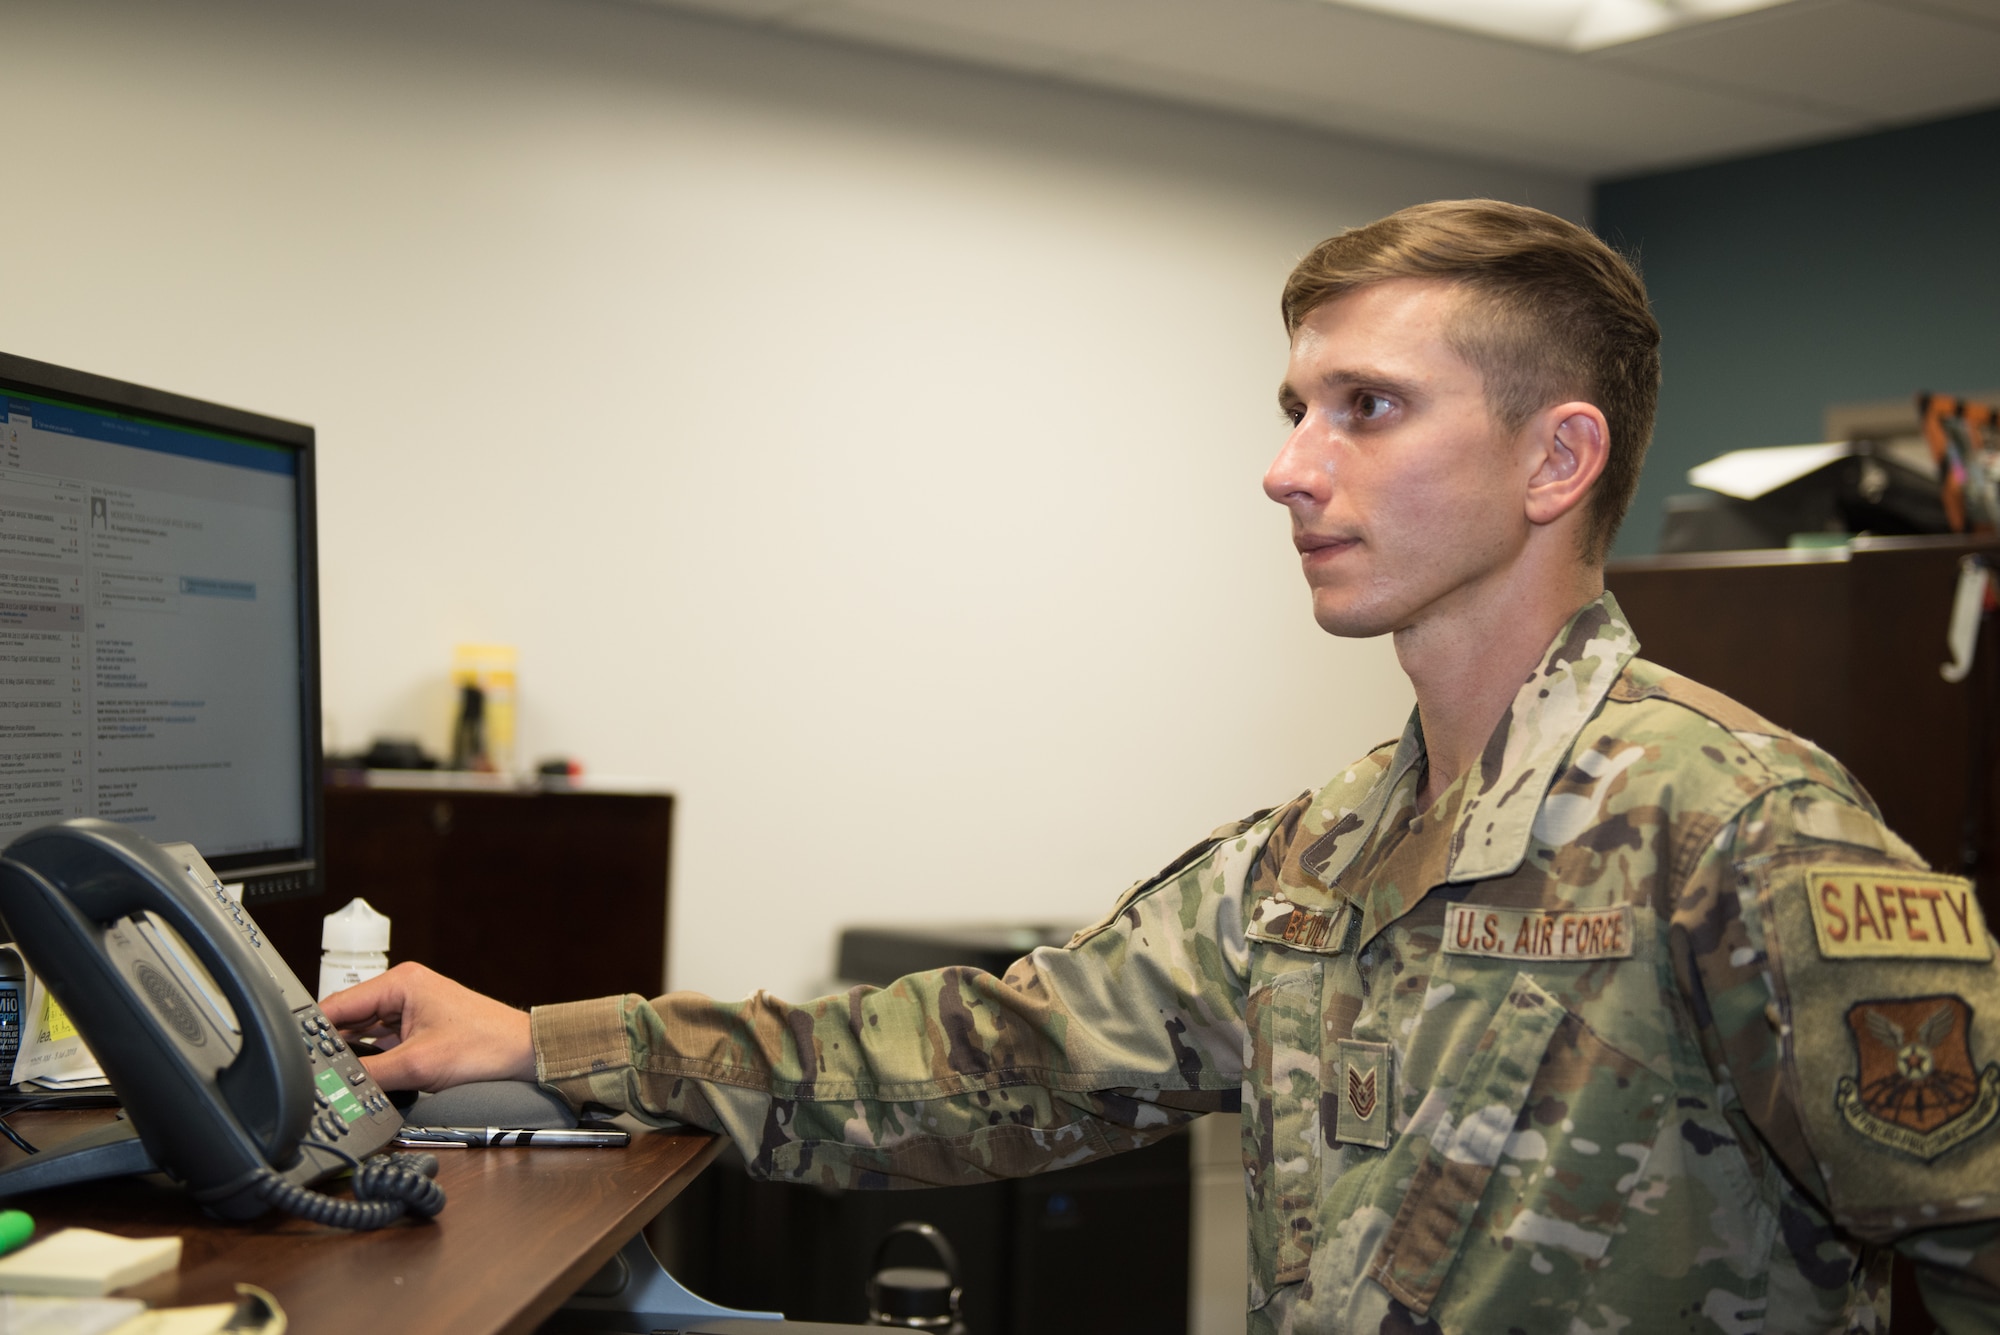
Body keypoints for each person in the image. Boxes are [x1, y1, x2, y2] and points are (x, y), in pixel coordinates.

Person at [323, 199, 2000, 1333]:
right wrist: (542, 1042)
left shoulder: (1736, 828)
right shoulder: (1320, 855)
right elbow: (985, 1056)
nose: (1287, 467)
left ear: (1558, 457)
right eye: (1293, 405)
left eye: (1366, 407)